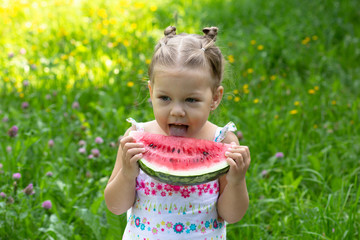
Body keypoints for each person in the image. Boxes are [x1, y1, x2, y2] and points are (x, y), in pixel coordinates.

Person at [104, 26, 251, 239]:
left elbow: (231, 215)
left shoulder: (224, 142)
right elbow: (115, 206)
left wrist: (237, 182)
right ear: (151, 92)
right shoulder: (136, 138)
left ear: (215, 98)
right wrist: (127, 174)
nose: (177, 111)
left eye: (191, 100)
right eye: (165, 98)